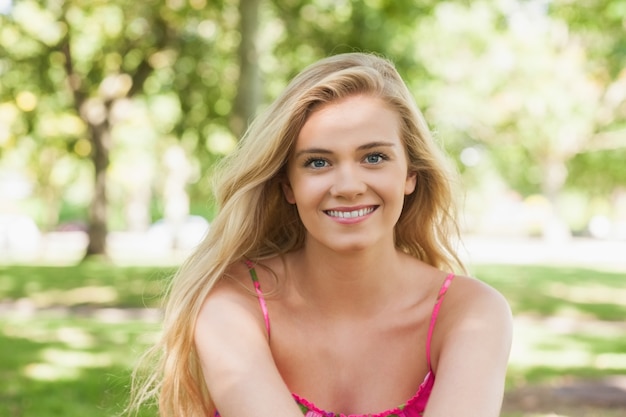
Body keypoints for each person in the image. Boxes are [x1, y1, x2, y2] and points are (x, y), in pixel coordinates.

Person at [129, 52, 513, 417]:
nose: (348, 185)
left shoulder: (471, 313)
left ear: (410, 173)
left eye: (374, 157)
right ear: (288, 187)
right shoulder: (232, 303)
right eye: (318, 162)